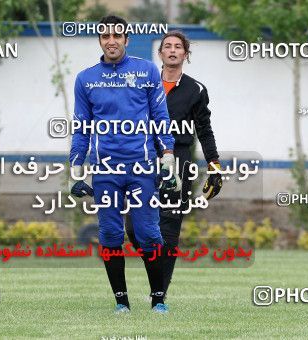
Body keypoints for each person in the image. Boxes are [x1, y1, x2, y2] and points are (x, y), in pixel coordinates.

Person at [68, 15, 181, 314]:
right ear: (100, 41)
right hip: (105, 170)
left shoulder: (146, 71)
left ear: (127, 40)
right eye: (105, 36)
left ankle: (158, 300)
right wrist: (75, 169)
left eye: (117, 36)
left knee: (148, 234)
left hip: (142, 166)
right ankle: (122, 303)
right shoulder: (85, 78)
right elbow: (81, 128)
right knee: (109, 235)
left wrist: (167, 155)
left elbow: (161, 118)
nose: (111, 41)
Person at [126, 30, 222, 297]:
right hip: (142, 161)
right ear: (160, 54)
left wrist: (214, 166)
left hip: (178, 162)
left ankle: (160, 293)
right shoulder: (142, 85)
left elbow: (205, 130)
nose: (171, 50)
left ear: (185, 54)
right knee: (133, 226)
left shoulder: (196, 90)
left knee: (168, 226)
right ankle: (155, 267)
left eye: (177, 47)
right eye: (167, 46)